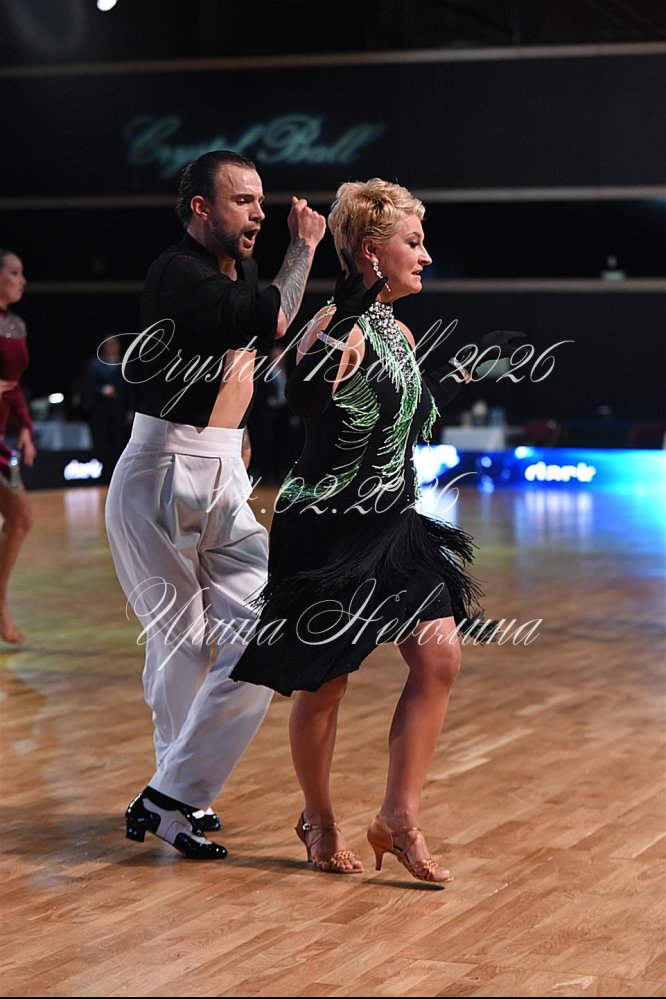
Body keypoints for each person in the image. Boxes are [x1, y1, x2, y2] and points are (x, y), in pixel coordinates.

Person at [231, 179, 524, 882]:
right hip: (327, 528)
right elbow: (305, 394)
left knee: (439, 656)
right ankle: (319, 817)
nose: (426, 256)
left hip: (392, 523)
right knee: (325, 684)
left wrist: (463, 370)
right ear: (370, 251)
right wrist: (351, 307)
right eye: (413, 243)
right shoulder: (335, 322)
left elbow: (406, 419)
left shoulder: (399, 330)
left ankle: (399, 817)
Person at [105, 150, 326, 859]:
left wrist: (237, 434)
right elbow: (272, 319)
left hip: (223, 468)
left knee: (265, 634)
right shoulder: (177, 271)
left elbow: (244, 350)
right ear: (202, 208)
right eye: (243, 200)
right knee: (181, 644)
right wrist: (305, 246)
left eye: (261, 199)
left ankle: (170, 790)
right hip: (161, 470)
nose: (260, 212)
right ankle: (177, 799)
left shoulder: (242, 270)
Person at [0, 249, 37, 645]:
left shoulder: (16, 325)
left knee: (21, 518)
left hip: (1, 439)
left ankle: (0, 603)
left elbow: (12, 386)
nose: (21, 280)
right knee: (21, 516)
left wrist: (25, 426)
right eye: (14, 272)